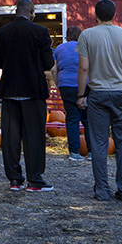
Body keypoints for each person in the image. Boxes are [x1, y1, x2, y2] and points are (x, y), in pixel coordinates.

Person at [76, 0, 122, 202]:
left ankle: (102, 190)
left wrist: (80, 95)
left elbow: (84, 68)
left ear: (95, 15)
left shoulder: (86, 35)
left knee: (99, 143)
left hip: (98, 94)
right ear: (114, 15)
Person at [0, 0, 55, 191]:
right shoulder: (40, 32)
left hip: (10, 90)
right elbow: (47, 63)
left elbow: (0, 63)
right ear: (32, 12)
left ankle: (14, 179)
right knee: (34, 136)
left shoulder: (1, 33)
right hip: (33, 90)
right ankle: (34, 179)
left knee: (10, 137)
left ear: (15, 11)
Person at [52, 26, 86, 161]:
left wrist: (58, 85)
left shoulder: (59, 48)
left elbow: (54, 70)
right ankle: (90, 152)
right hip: (83, 84)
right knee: (87, 118)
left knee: (72, 118)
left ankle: (74, 152)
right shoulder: (84, 47)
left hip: (65, 84)